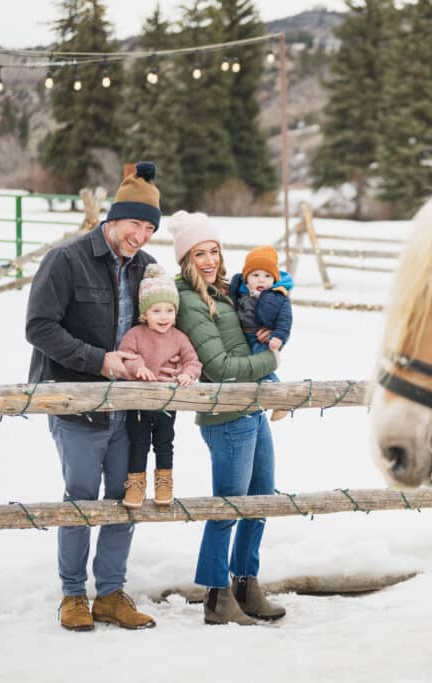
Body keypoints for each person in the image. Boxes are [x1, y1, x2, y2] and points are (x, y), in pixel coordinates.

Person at [26, 161, 163, 632]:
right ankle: (72, 595)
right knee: (80, 499)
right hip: (77, 405)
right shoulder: (66, 260)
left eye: (149, 227)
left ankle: (109, 593)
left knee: (126, 498)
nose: (141, 235)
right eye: (135, 223)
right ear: (112, 216)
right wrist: (99, 360)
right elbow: (39, 327)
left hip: (129, 408)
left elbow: (163, 325)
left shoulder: (147, 269)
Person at [168, 210, 288, 626]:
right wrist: (270, 359)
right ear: (185, 259)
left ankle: (246, 582)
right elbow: (218, 366)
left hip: (252, 410)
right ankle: (217, 595)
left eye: (214, 251)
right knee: (228, 506)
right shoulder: (188, 300)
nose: (209, 259)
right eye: (199, 253)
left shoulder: (222, 292)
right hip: (226, 416)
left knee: (260, 501)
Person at [118, 263, 203, 508]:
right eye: (156, 311)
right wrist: (139, 368)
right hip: (139, 403)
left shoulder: (179, 337)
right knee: (139, 443)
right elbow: (126, 355)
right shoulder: (135, 334)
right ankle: (135, 485)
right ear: (144, 314)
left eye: (169, 310)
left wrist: (188, 374)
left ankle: (164, 483)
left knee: (165, 443)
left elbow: (193, 361)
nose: (164, 317)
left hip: (167, 402)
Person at [227, 245, 293, 393]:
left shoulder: (278, 297)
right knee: (246, 369)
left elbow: (285, 320)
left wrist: (278, 336)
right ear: (246, 278)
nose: (261, 280)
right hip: (242, 338)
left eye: (267, 276)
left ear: (274, 278)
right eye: (255, 275)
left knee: (262, 367)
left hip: (261, 339)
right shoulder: (239, 293)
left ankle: (276, 391)